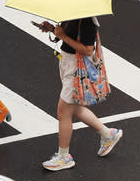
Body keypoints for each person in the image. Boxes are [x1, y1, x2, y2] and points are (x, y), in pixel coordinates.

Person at [40, 17, 123, 171]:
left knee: (63, 111)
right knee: (74, 107)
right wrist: (53, 30)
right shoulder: (71, 12)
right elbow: (69, 36)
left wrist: (63, 36)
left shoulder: (87, 20)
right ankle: (108, 134)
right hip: (67, 62)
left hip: (76, 69)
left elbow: (88, 49)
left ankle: (64, 157)